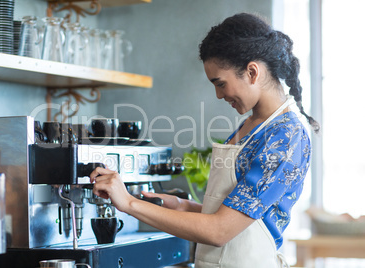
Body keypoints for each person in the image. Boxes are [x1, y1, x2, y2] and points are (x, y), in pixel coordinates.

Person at [89, 13, 319, 268]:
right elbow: (243, 220)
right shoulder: (254, 125)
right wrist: (182, 206)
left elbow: (220, 231)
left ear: (252, 72)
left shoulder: (286, 137)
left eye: (221, 83)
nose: (219, 95)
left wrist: (129, 203)